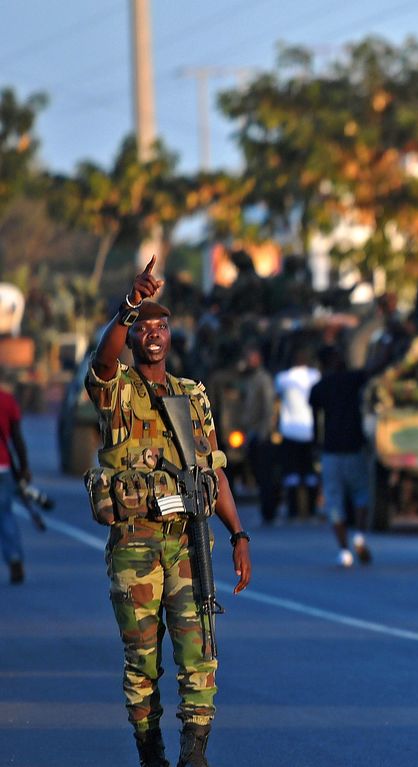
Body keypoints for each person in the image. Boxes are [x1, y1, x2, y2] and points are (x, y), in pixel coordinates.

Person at [84, 257, 252, 767]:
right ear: (134, 337)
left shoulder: (192, 396)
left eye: (161, 326)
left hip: (186, 541)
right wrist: (129, 307)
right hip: (134, 545)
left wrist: (239, 534)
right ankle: (150, 755)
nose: (153, 335)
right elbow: (103, 356)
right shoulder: (117, 392)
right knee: (142, 661)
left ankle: (193, 756)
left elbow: (213, 471)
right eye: (144, 328)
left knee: (200, 648)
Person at [308, 346, 374, 567]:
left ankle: (344, 551)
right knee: (361, 495)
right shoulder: (354, 380)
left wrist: (315, 446)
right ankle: (360, 537)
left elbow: (315, 417)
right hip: (355, 449)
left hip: (331, 452)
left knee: (334, 502)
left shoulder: (320, 388)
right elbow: (373, 372)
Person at [274, 346, 321, 521]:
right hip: (310, 430)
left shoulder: (283, 378)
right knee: (310, 471)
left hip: (290, 430)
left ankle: (294, 510)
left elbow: (277, 399)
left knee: (292, 473)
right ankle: (311, 509)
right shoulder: (315, 376)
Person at [236, 344, 281, 525]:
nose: (247, 361)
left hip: (263, 434)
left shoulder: (263, 379)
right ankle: (266, 509)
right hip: (253, 433)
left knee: (266, 475)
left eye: (250, 357)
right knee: (258, 473)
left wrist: (264, 432)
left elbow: (269, 407)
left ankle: (269, 510)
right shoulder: (250, 379)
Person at [0, 372, 31, 583]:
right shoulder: (7, 401)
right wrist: (24, 467)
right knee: (5, 516)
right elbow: (17, 438)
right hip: (3, 468)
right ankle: (14, 560)